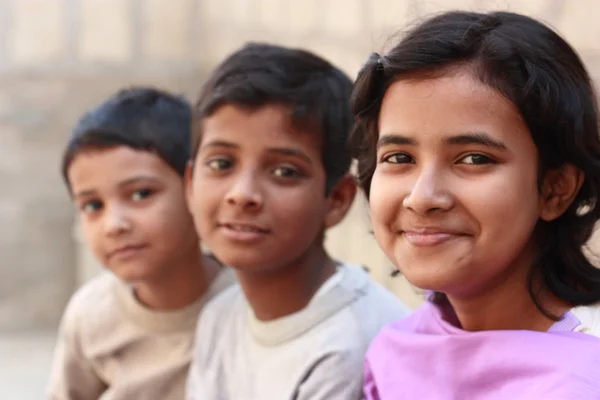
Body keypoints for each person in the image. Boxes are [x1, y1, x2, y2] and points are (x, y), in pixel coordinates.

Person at [349, 11, 600, 399]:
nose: (422, 197)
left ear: (555, 190)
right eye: (399, 158)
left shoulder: (580, 379)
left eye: (474, 159)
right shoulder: (396, 350)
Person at [185, 43, 410, 400]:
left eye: (284, 171)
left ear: (336, 199)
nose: (242, 194)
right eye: (222, 164)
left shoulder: (350, 347)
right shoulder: (220, 315)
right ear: (189, 183)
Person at [47, 87, 235, 400]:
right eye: (92, 205)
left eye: (141, 194)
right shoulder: (91, 315)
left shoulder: (248, 306)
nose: (114, 225)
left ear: (195, 189)